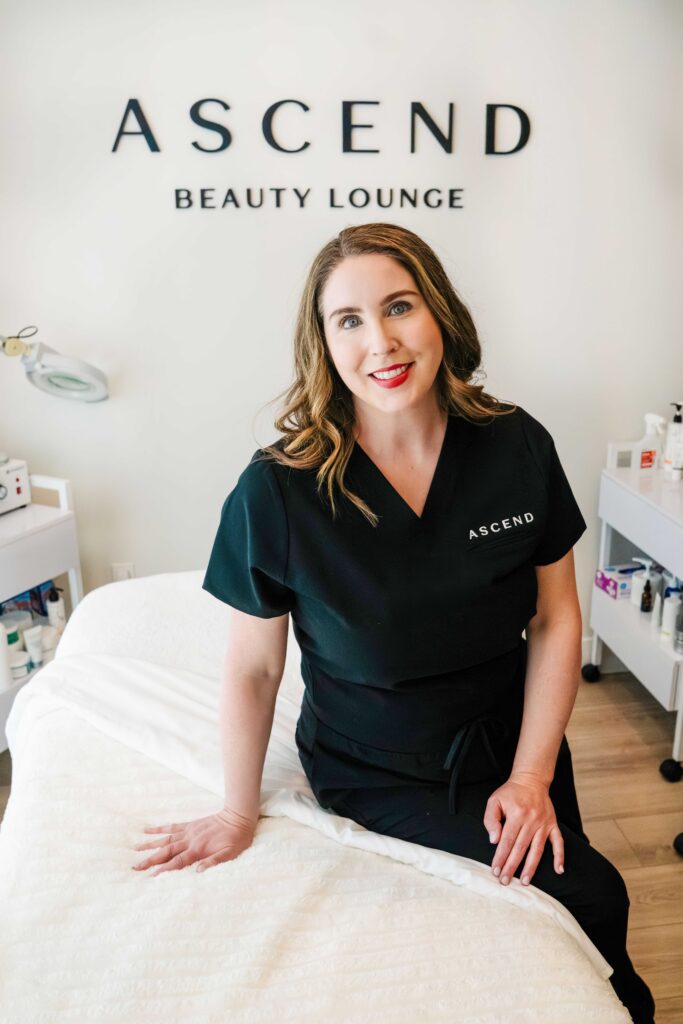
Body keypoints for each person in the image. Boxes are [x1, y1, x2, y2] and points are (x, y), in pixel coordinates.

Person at [133, 223, 655, 1023]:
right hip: (376, 765)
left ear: (438, 311)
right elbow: (254, 669)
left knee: (580, 891)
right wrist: (238, 812)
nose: (380, 340)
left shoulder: (514, 444)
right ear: (323, 344)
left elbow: (555, 622)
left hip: (511, 738)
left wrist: (529, 775)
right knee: (585, 888)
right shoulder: (278, 491)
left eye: (399, 306)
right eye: (348, 320)